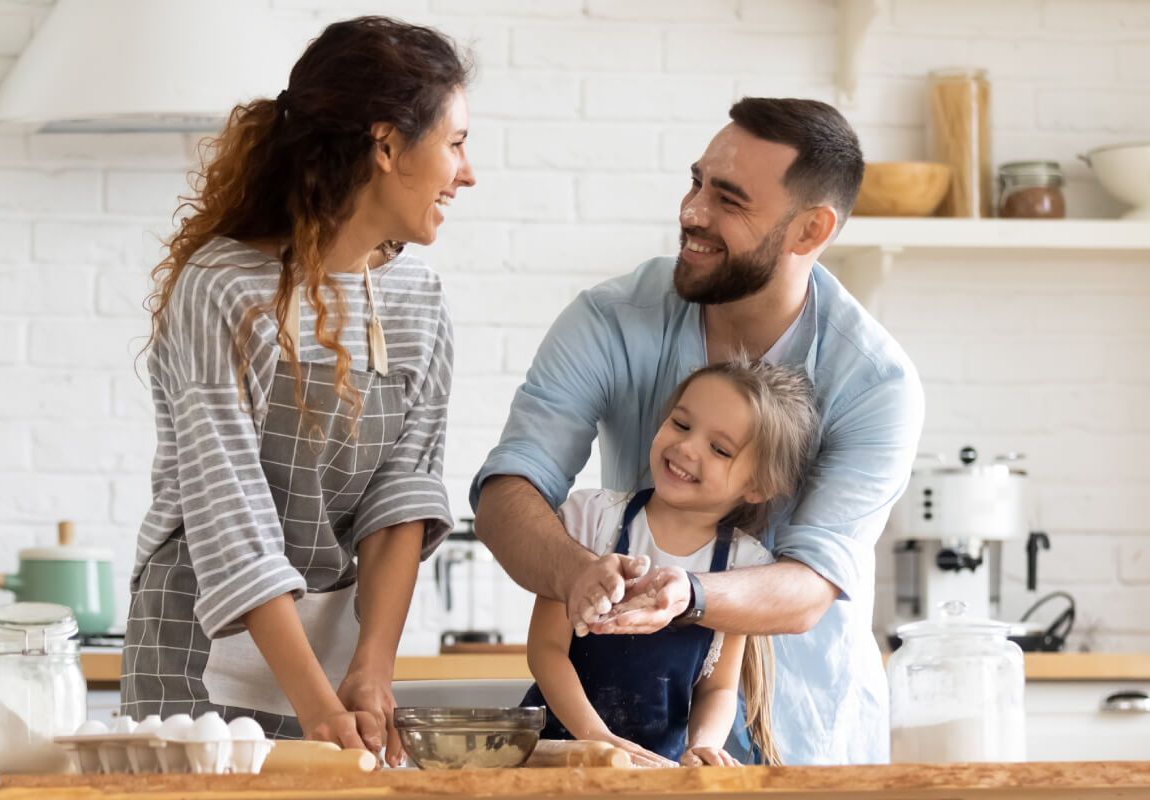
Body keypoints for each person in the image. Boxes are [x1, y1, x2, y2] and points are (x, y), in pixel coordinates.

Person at [471, 97, 924, 764]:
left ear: (809, 230)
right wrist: (579, 575)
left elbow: (808, 586)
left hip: (807, 741)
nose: (692, 212)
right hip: (622, 748)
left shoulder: (876, 383)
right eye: (697, 183)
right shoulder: (610, 319)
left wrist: (689, 594)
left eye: (729, 200)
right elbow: (510, 492)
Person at [120, 16, 476, 767]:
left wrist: (371, 672)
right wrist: (316, 705)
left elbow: (403, 493)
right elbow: (228, 510)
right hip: (198, 644)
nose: (466, 173)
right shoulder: (222, 288)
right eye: (456, 143)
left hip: (338, 652)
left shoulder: (418, 298)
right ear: (385, 146)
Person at [522, 358, 819, 768]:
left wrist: (703, 746)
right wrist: (598, 741)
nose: (686, 447)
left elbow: (717, 688)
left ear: (757, 486)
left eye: (719, 449)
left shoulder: (741, 567)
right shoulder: (589, 519)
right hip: (556, 757)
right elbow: (546, 649)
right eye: (681, 425)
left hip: (657, 772)